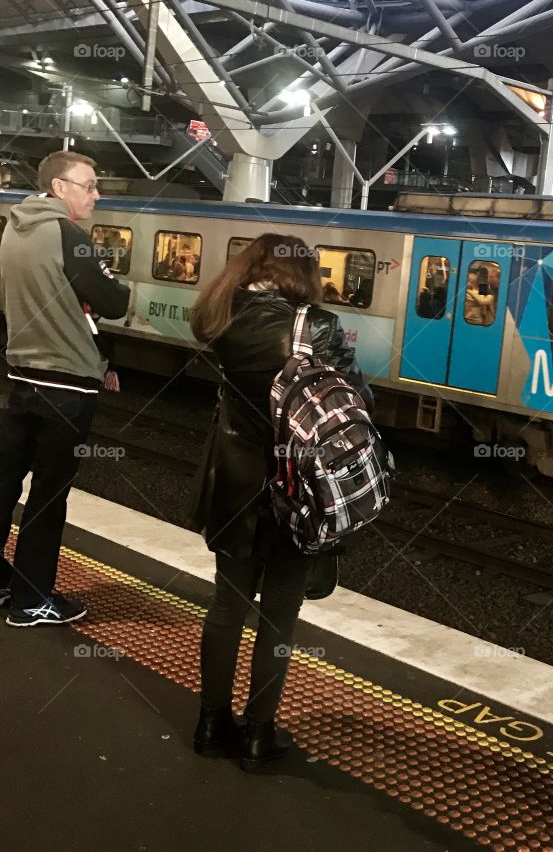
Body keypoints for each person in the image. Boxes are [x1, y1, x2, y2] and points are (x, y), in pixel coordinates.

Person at [188, 233, 372, 771]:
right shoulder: (316, 327)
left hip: (235, 480)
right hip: (299, 486)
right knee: (280, 614)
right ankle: (257, 734)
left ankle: (208, 723)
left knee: (226, 607)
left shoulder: (221, 314)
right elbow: (355, 400)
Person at [0, 151, 130, 625]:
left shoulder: (14, 229)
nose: (96, 194)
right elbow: (114, 302)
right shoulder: (68, 235)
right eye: (89, 185)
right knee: (47, 497)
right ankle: (31, 599)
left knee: (4, 484)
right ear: (59, 188)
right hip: (66, 387)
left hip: (20, 380)